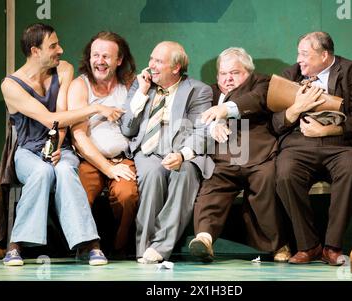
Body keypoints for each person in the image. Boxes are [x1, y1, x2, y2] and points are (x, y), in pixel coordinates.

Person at [0, 23, 121, 266]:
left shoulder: (63, 70)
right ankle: (16, 246)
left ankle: (90, 245)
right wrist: (96, 107)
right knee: (42, 171)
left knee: (65, 170)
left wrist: (57, 146)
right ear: (35, 51)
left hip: (61, 147)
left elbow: (64, 116)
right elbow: (49, 119)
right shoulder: (10, 85)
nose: (61, 50)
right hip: (28, 152)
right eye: (53, 46)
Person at [273, 31, 352, 265]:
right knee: (285, 174)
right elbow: (275, 122)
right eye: (298, 53)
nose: (299, 59)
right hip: (299, 143)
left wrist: (328, 131)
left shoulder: (351, 71)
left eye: (305, 54)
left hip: (341, 144)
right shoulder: (290, 75)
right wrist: (296, 109)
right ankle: (309, 246)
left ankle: (332, 247)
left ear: (324, 55)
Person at [188, 47, 291, 262]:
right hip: (223, 159)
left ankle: (278, 245)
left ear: (248, 72)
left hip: (259, 157)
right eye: (223, 74)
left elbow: (257, 100)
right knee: (211, 187)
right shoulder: (209, 92)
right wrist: (211, 127)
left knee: (266, 185)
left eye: (234, 73)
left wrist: (223, 111)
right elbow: (194, 118)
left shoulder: (262, 84)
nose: (227, 79)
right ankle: (204, 239)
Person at [120, 41, 214, 263]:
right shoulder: (140, 86)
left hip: (182, 151)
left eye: (159, 61)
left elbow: (201, 130)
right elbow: (127, 128)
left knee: (186, 172)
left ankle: (161, 247)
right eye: (151, 58)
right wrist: (142, 94)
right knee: (153, 176)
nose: (151, 65)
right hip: (148, 151)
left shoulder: (198, 90)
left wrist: (183, 154)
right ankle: (143, 249)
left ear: (175, 68)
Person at [68, 31, 139, 257]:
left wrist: (116, 167)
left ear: (119, 60)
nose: (99, 61)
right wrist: (107, 168)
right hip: (90, 159)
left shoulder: (129, 84)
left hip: (123, 158)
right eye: (95, 55)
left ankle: (121, 246)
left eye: (106, 56)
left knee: (127, 195)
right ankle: (86, 246)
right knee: (80, 194)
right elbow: (79, 136)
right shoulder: (80, 85)